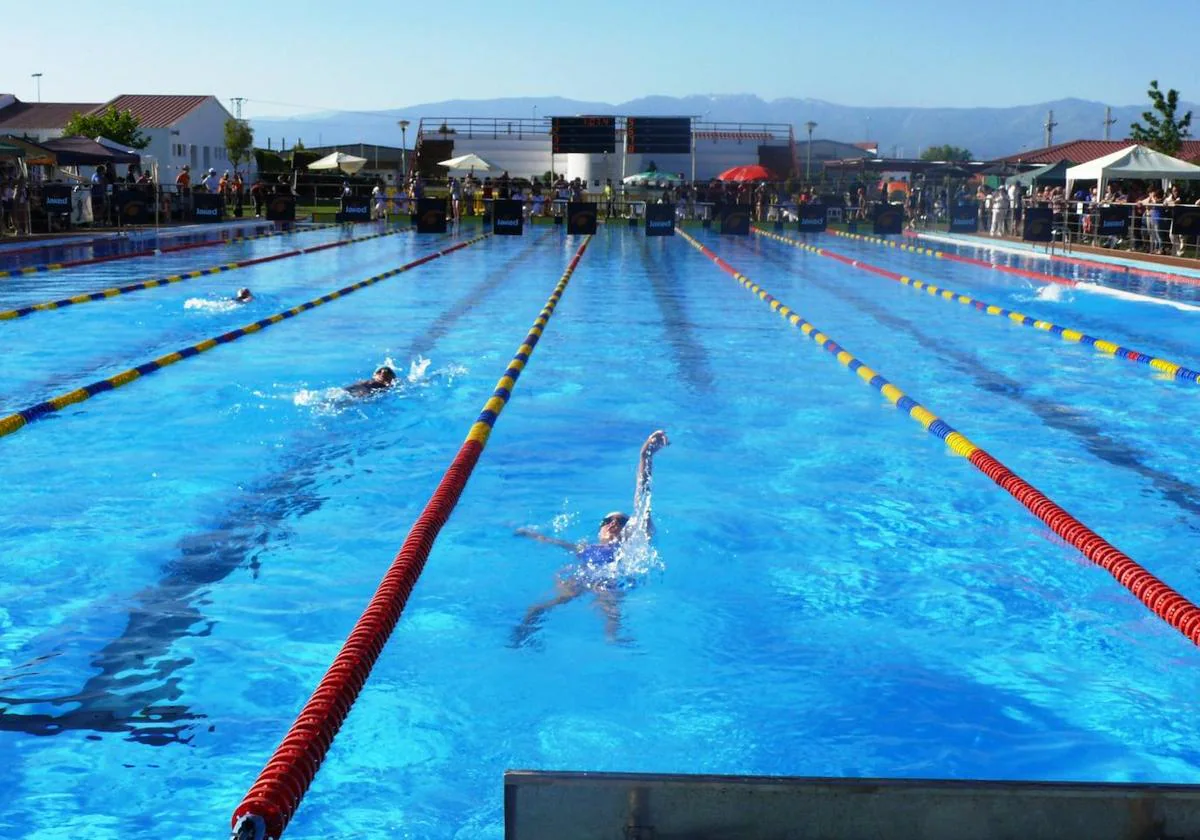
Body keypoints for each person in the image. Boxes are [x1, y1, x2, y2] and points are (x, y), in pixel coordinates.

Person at [512, 430, 669, 646]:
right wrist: (527, 533)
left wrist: (645, 456)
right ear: (600, 529)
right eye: (607, 520)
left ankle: (614, 645)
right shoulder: (584, 547)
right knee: (538, 608)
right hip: (582, 577)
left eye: (621, 521)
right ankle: (521, 641)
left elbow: (642, 499)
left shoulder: (631, 546)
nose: (614, 523)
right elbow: (550, 541)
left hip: (614, 581)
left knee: (611, 617)